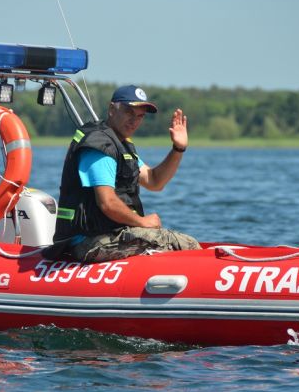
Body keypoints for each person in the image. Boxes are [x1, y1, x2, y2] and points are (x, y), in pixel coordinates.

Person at [52, 84, 200, 263]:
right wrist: (142, 222)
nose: (134, 121)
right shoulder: (100, 146)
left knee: (183, 243)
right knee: (182, 244)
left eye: (140, 116)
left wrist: (178, 149)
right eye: (129, 112)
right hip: (87, 241)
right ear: (112, 109)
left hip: (111, 234)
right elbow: (107, 203)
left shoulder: (122, 145)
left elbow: (154, 181)